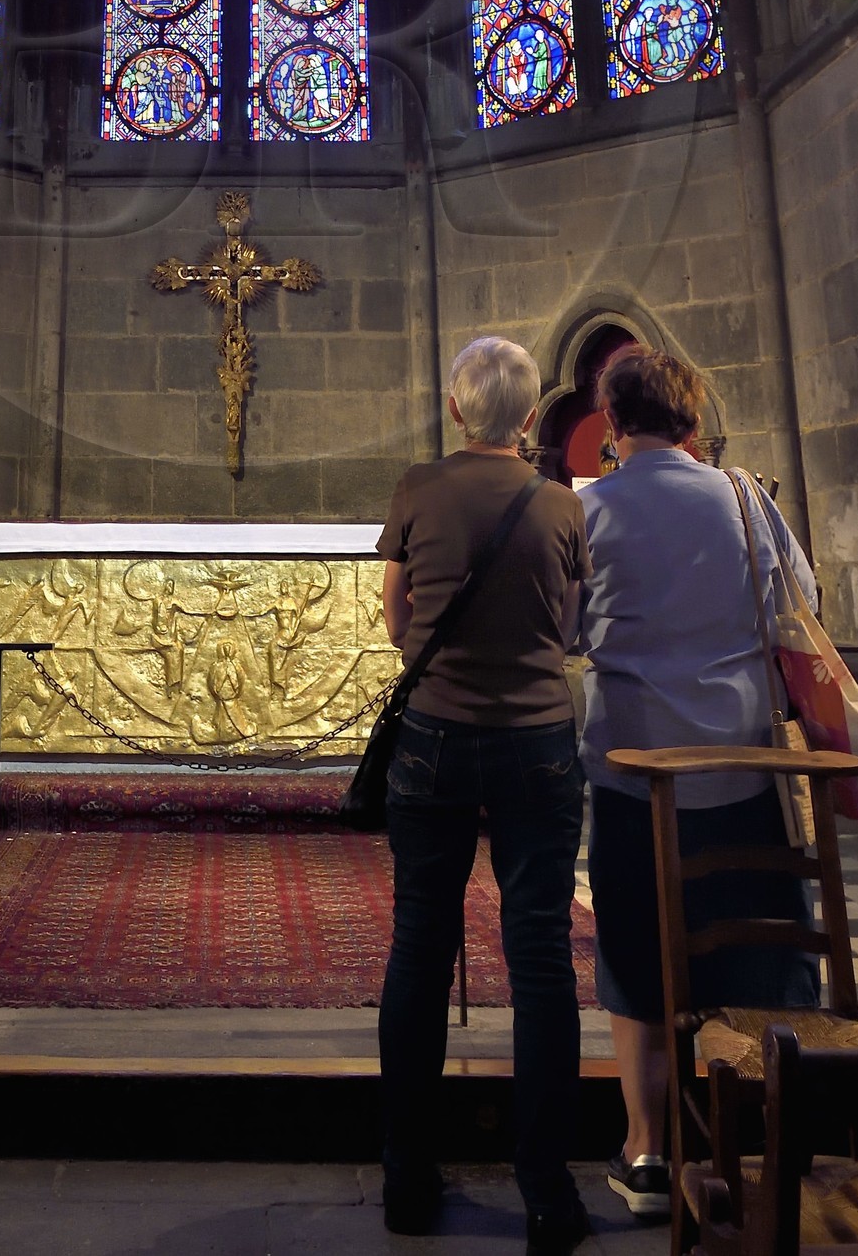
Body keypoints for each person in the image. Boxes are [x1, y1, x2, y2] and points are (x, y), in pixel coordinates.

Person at [577, 347, 820, 1222]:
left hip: (635, 771)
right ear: (691, 417)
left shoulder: (587, 507)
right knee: (754, 945)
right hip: (744, 764)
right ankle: (758, 1141)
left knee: (638, 953)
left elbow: (570, 624)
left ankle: (646, 1152)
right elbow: (803, 600)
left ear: (611, 423)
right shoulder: (746, 498)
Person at [376, 336, 591, 1248]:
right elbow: (573, 622)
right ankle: (546, 1191)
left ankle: (408, 1182)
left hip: (432, 737)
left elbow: (394, 614)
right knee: (540, 956)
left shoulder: (420, 488)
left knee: (422, 947)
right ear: (533, 416)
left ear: (458, 409)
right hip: (539, 739)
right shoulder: (558, 502)